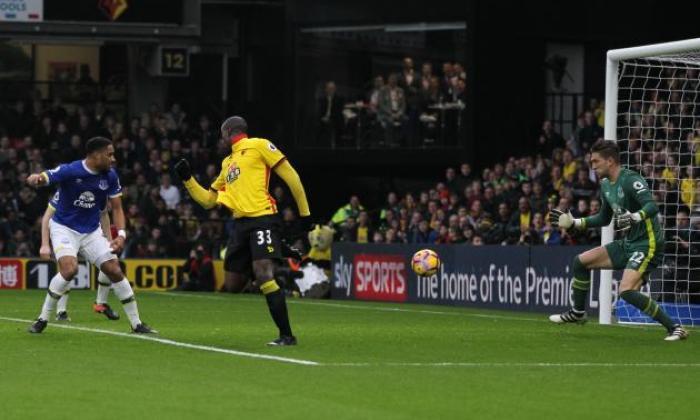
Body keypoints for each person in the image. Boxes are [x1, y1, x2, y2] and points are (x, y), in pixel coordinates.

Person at [174, 115, 311, 346]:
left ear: (228, 133)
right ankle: (276, 247)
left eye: (221, 134)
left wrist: (305, 215)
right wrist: (188, 180)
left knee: (263, 274)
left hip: (263, 218)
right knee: (232, 285)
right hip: (240, 226)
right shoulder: (227, 163)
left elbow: (291, 176)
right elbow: (209, 200)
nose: (220, 139)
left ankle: (287, 335)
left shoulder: (259, 145)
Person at [548, 140, 687, 341]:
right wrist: (575, 222)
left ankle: (675, 328)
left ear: (610, 161)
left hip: (648, 243)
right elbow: (604, 218)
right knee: (580, 262)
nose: (592, 166)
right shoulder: (605, 185)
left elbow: (652, 206)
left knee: (626, 291)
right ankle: (578, 313)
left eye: (596, 161)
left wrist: (634, 217)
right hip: (628, 243)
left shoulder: (630, 179)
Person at [25, 137, 155, 334]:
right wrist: (36, 178)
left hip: (91, 231)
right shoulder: (71, 170)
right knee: (69, 270)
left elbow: (117, 208)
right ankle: (43, 318)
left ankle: (137, 324)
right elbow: (44, 176)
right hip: (64, 228)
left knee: (114, 269)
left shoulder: (110, 176)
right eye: (109, 154)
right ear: (96, 155)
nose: (113, 159)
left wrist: (120, 235)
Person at [39, 199, 120, 321]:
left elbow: (103, 214)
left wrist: (108, 240)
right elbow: (47, 217)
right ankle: (61, 311)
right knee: (67, 270)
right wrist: (44, 243)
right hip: (66, 232)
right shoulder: (65, 189)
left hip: (89, 234)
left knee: (110, 260)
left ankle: (101, 303)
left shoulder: (95, 188)